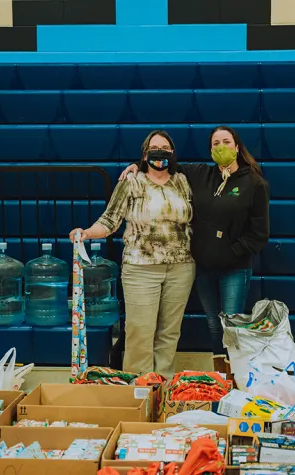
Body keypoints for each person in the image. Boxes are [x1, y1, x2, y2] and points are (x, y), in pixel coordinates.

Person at [120, 126, 270, 356]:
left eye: (226, 142)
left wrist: (232, 252)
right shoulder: (201, 174)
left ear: (237, 147)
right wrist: (136, 165)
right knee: (212, 324)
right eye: (216, 144)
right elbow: (162, 162)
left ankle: (234, 377)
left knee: (230, 324)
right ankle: (219, 375)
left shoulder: (254, 183)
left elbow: (259, 233)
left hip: (234, 268)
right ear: (210, 150)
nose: (222, 147)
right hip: (203, 268)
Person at [70, 130, 195, 378]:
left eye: (165, 148)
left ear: (172, 153)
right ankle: (140, 390)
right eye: (154, 148)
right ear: (144, 154)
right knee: (140, 331)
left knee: (170, 333)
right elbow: (110, 220)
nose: (160, 153)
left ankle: (164, 386)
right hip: (140, 267)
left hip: (181, 267)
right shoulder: (131, 181)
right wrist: (86, 233)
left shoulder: (182, 180)